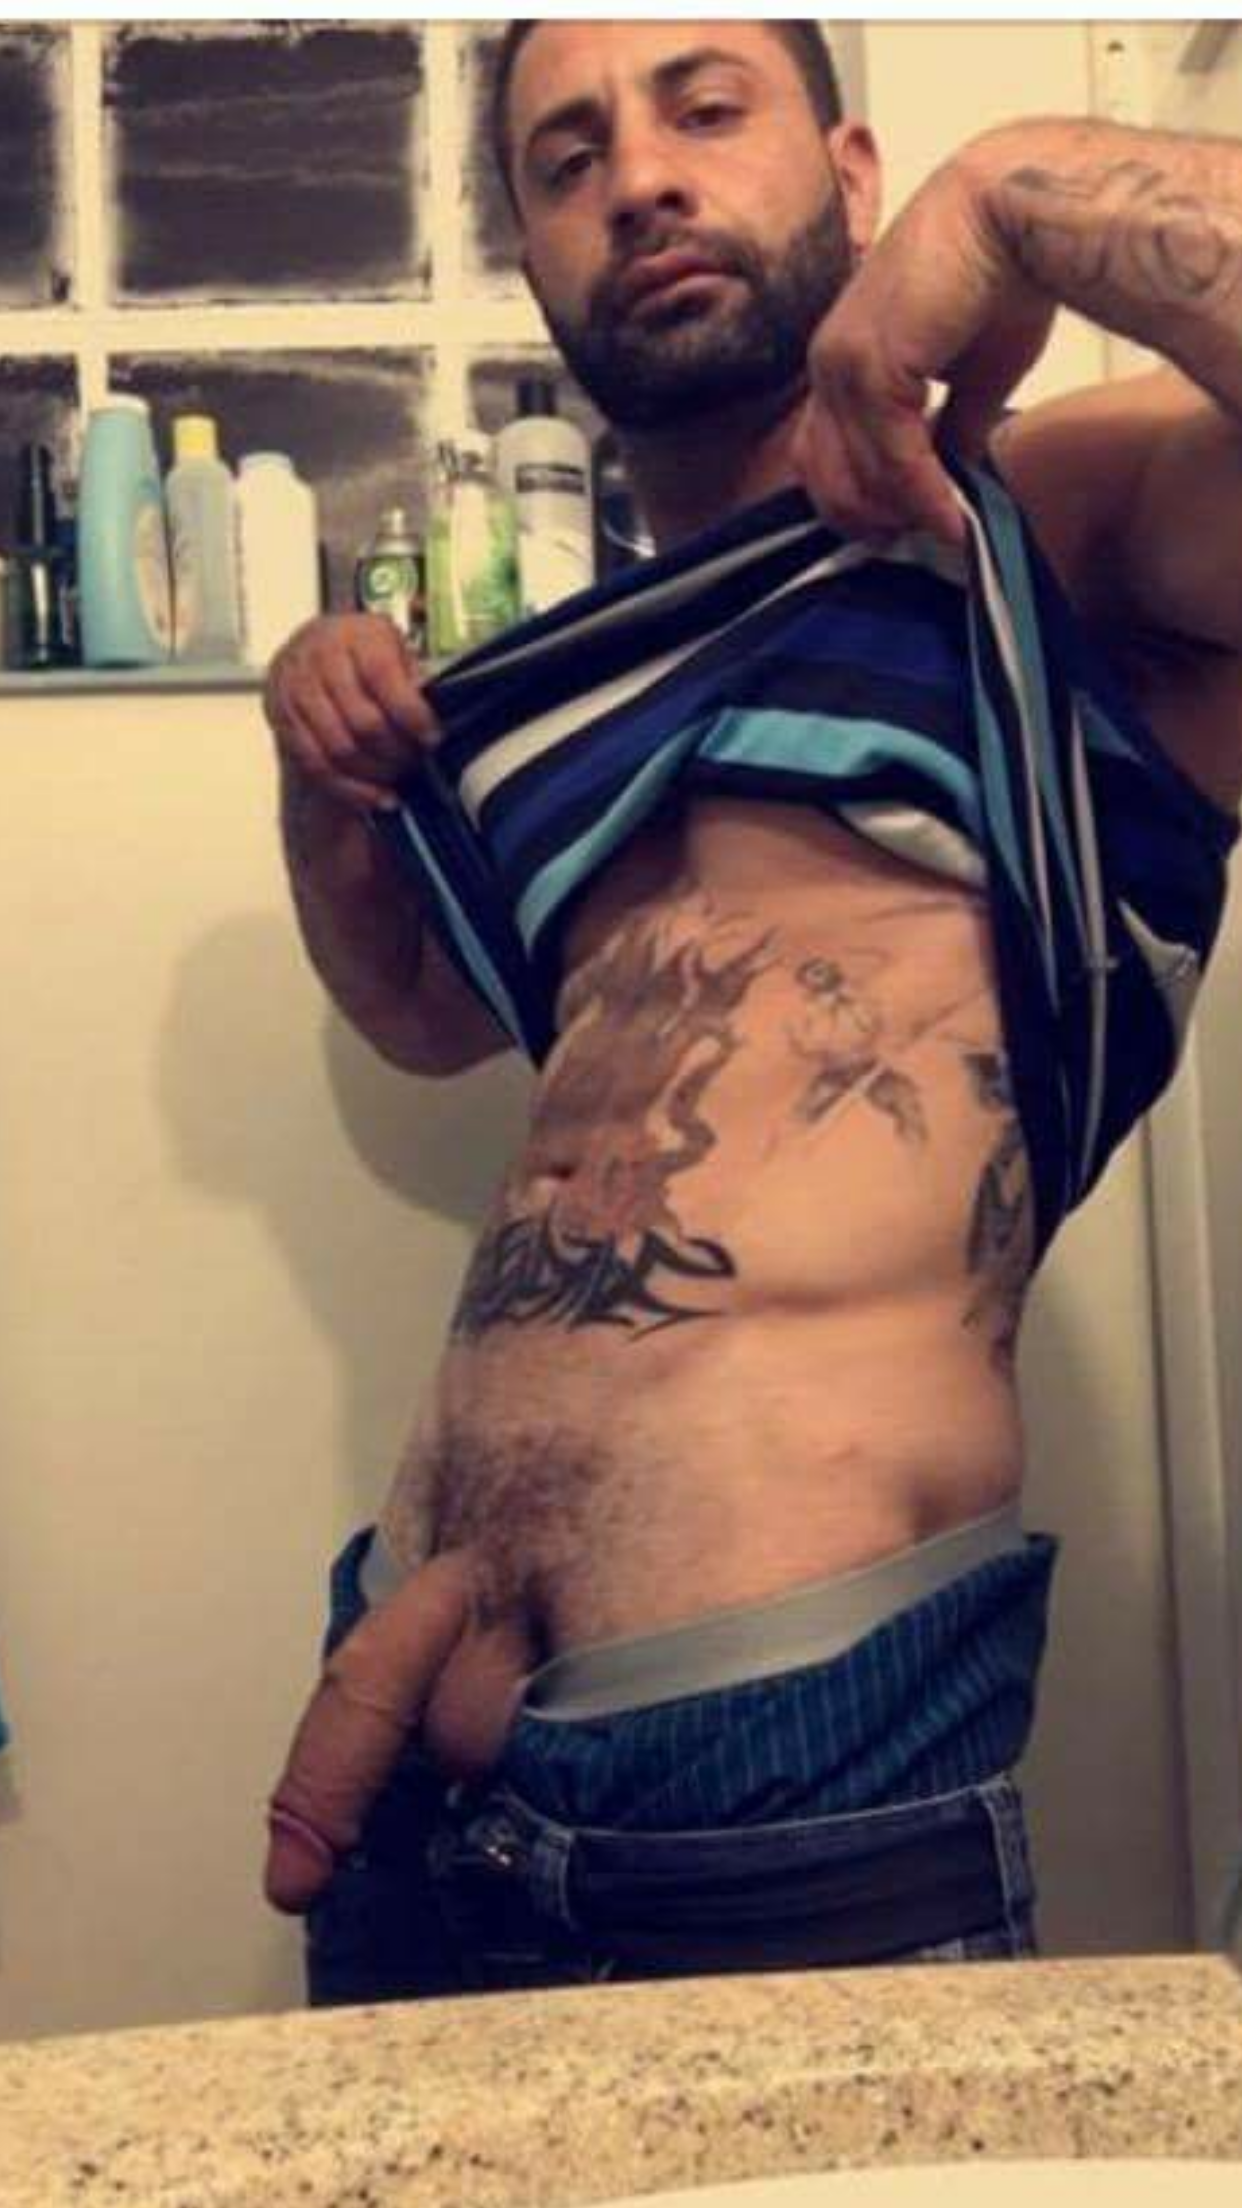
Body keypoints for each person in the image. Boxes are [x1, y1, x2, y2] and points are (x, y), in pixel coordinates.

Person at [260, 20, 1242, 2001]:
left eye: (704, 109)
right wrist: (321, 787)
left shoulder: (1036, 530)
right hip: (401, 1713)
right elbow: (424, 1017)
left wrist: (1015, 187)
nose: (638, 178)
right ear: (535, 259)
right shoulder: (559, 686)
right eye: (565, 160)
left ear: (852, 177)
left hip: (784, 1748)